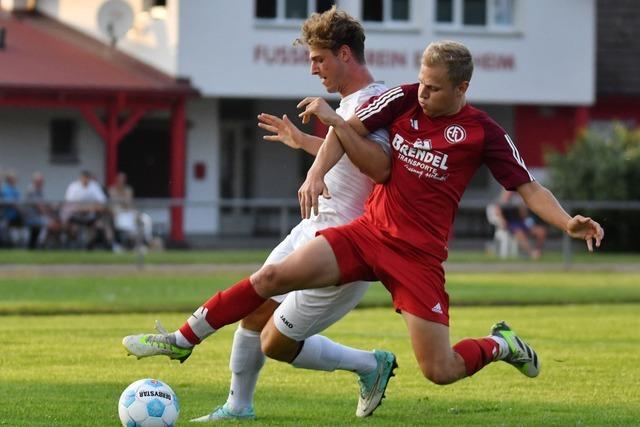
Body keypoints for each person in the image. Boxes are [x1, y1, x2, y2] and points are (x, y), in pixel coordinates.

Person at [123, 40, 604, 410]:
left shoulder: (483, 132)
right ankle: (183, 340)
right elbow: (345, 131)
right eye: (422, 81)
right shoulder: (403, 99)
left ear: (462, 89)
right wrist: (316, 166)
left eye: (435, 87)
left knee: (440, 369)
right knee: (271, 279)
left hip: (417, 258)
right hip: (367, 234)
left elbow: (528, 188)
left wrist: (567, 222)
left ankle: (502, 344)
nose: (423, 92)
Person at [125, 7, 396, 421]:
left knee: (276, 338)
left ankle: (184, 339)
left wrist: (321, 156)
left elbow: (378, 165)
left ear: (345, 54)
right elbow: (345, 155)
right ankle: (238, 407)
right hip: (314, 229)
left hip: (348, 246)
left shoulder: (375, 101)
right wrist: (305, 140)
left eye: (318, 59)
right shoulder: (349, 105)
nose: (313, 70)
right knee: (255, 310)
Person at [61, 170, 114, 249]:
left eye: (87, 178)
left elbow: (102, 202)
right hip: (75, 215)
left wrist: (90, 208)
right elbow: (69, 204)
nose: (85, 180)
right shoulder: (73, 186)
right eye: (83, 178)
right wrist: (85, 207)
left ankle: (107, 245)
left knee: (103, 221)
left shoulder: (94, 186)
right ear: (80, 178)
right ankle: (66, 245)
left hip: (91, 214)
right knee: (66, 221)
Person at [494, 190, 547, 259]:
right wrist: (502, 221)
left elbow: (524, 215)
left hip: (521, 222)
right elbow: (498, 210)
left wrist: (522, 208)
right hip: (510, 223)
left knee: (541, 231)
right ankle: (531, 253)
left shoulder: (520, 195)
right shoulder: (503, 199)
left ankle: (538, 251)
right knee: (519, 233)